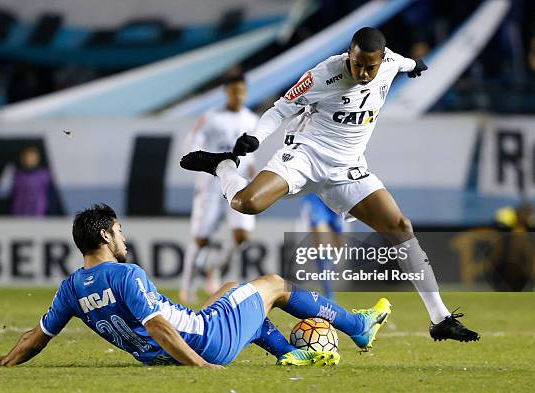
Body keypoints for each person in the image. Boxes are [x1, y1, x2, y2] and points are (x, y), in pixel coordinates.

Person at [180, 27, 479, 342]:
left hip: (347, 169)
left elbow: (402, 62)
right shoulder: (323, 74)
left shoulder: (390, 63)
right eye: (357, 64)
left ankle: (440, 318)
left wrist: (414, 65)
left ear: (381, 60)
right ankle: (222, 165)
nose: (362, 72)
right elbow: (281, 108)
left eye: (370, 67)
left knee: (401, 227)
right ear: (349, 53)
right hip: (305, 157)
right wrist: (256, 137)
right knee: (246, 203)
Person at [0, 204, 391, 368]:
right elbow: (158, 325)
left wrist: (6, 362)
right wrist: (202, 366)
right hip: (202, 343)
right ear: (104, 237)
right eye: (118, 232)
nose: (124, 238)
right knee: (274, 283)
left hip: (163, 356)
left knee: (231, 287)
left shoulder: (71, 288)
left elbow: (37, 337)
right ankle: (357, 325)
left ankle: (291, 354)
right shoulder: (126, 274)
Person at [180, 74, 258, 303]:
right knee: (201, 238)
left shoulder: (251, 119)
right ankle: (187, 286)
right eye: (234, 91)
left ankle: (214, 268)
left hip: (239, 181)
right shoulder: (211, 118)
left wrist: (252, 169)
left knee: (242, 235)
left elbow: (250, 155)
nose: (238, 96)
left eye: (242, 91)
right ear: (226, 92)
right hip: (212, 183)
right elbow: (191, 143)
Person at [11, 146, 51, 216]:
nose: (29, 160)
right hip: (19, 213)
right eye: (27, 157)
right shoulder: (16, 174)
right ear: (22, 159)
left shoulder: (44, 175)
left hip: (38, 213)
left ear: (37, 159)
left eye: (32, 158)